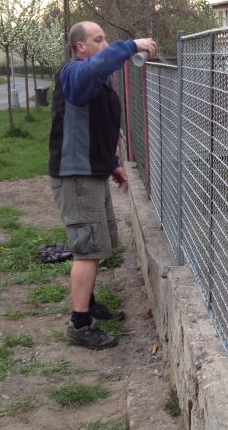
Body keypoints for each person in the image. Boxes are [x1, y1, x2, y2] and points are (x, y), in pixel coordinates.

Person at [48, 21, 157, 350]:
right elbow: (97, 67)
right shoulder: (73, 74)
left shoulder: (93, 80)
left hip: (91, 173)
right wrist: (130, 45)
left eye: (106, 39)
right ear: (80, 47)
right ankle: (79, 324)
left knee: (96, 243)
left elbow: (98, 128)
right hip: (76, 176)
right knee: (87, 249)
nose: (105, 44)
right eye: (98, 40)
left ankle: (89, 303)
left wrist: (112, 164)